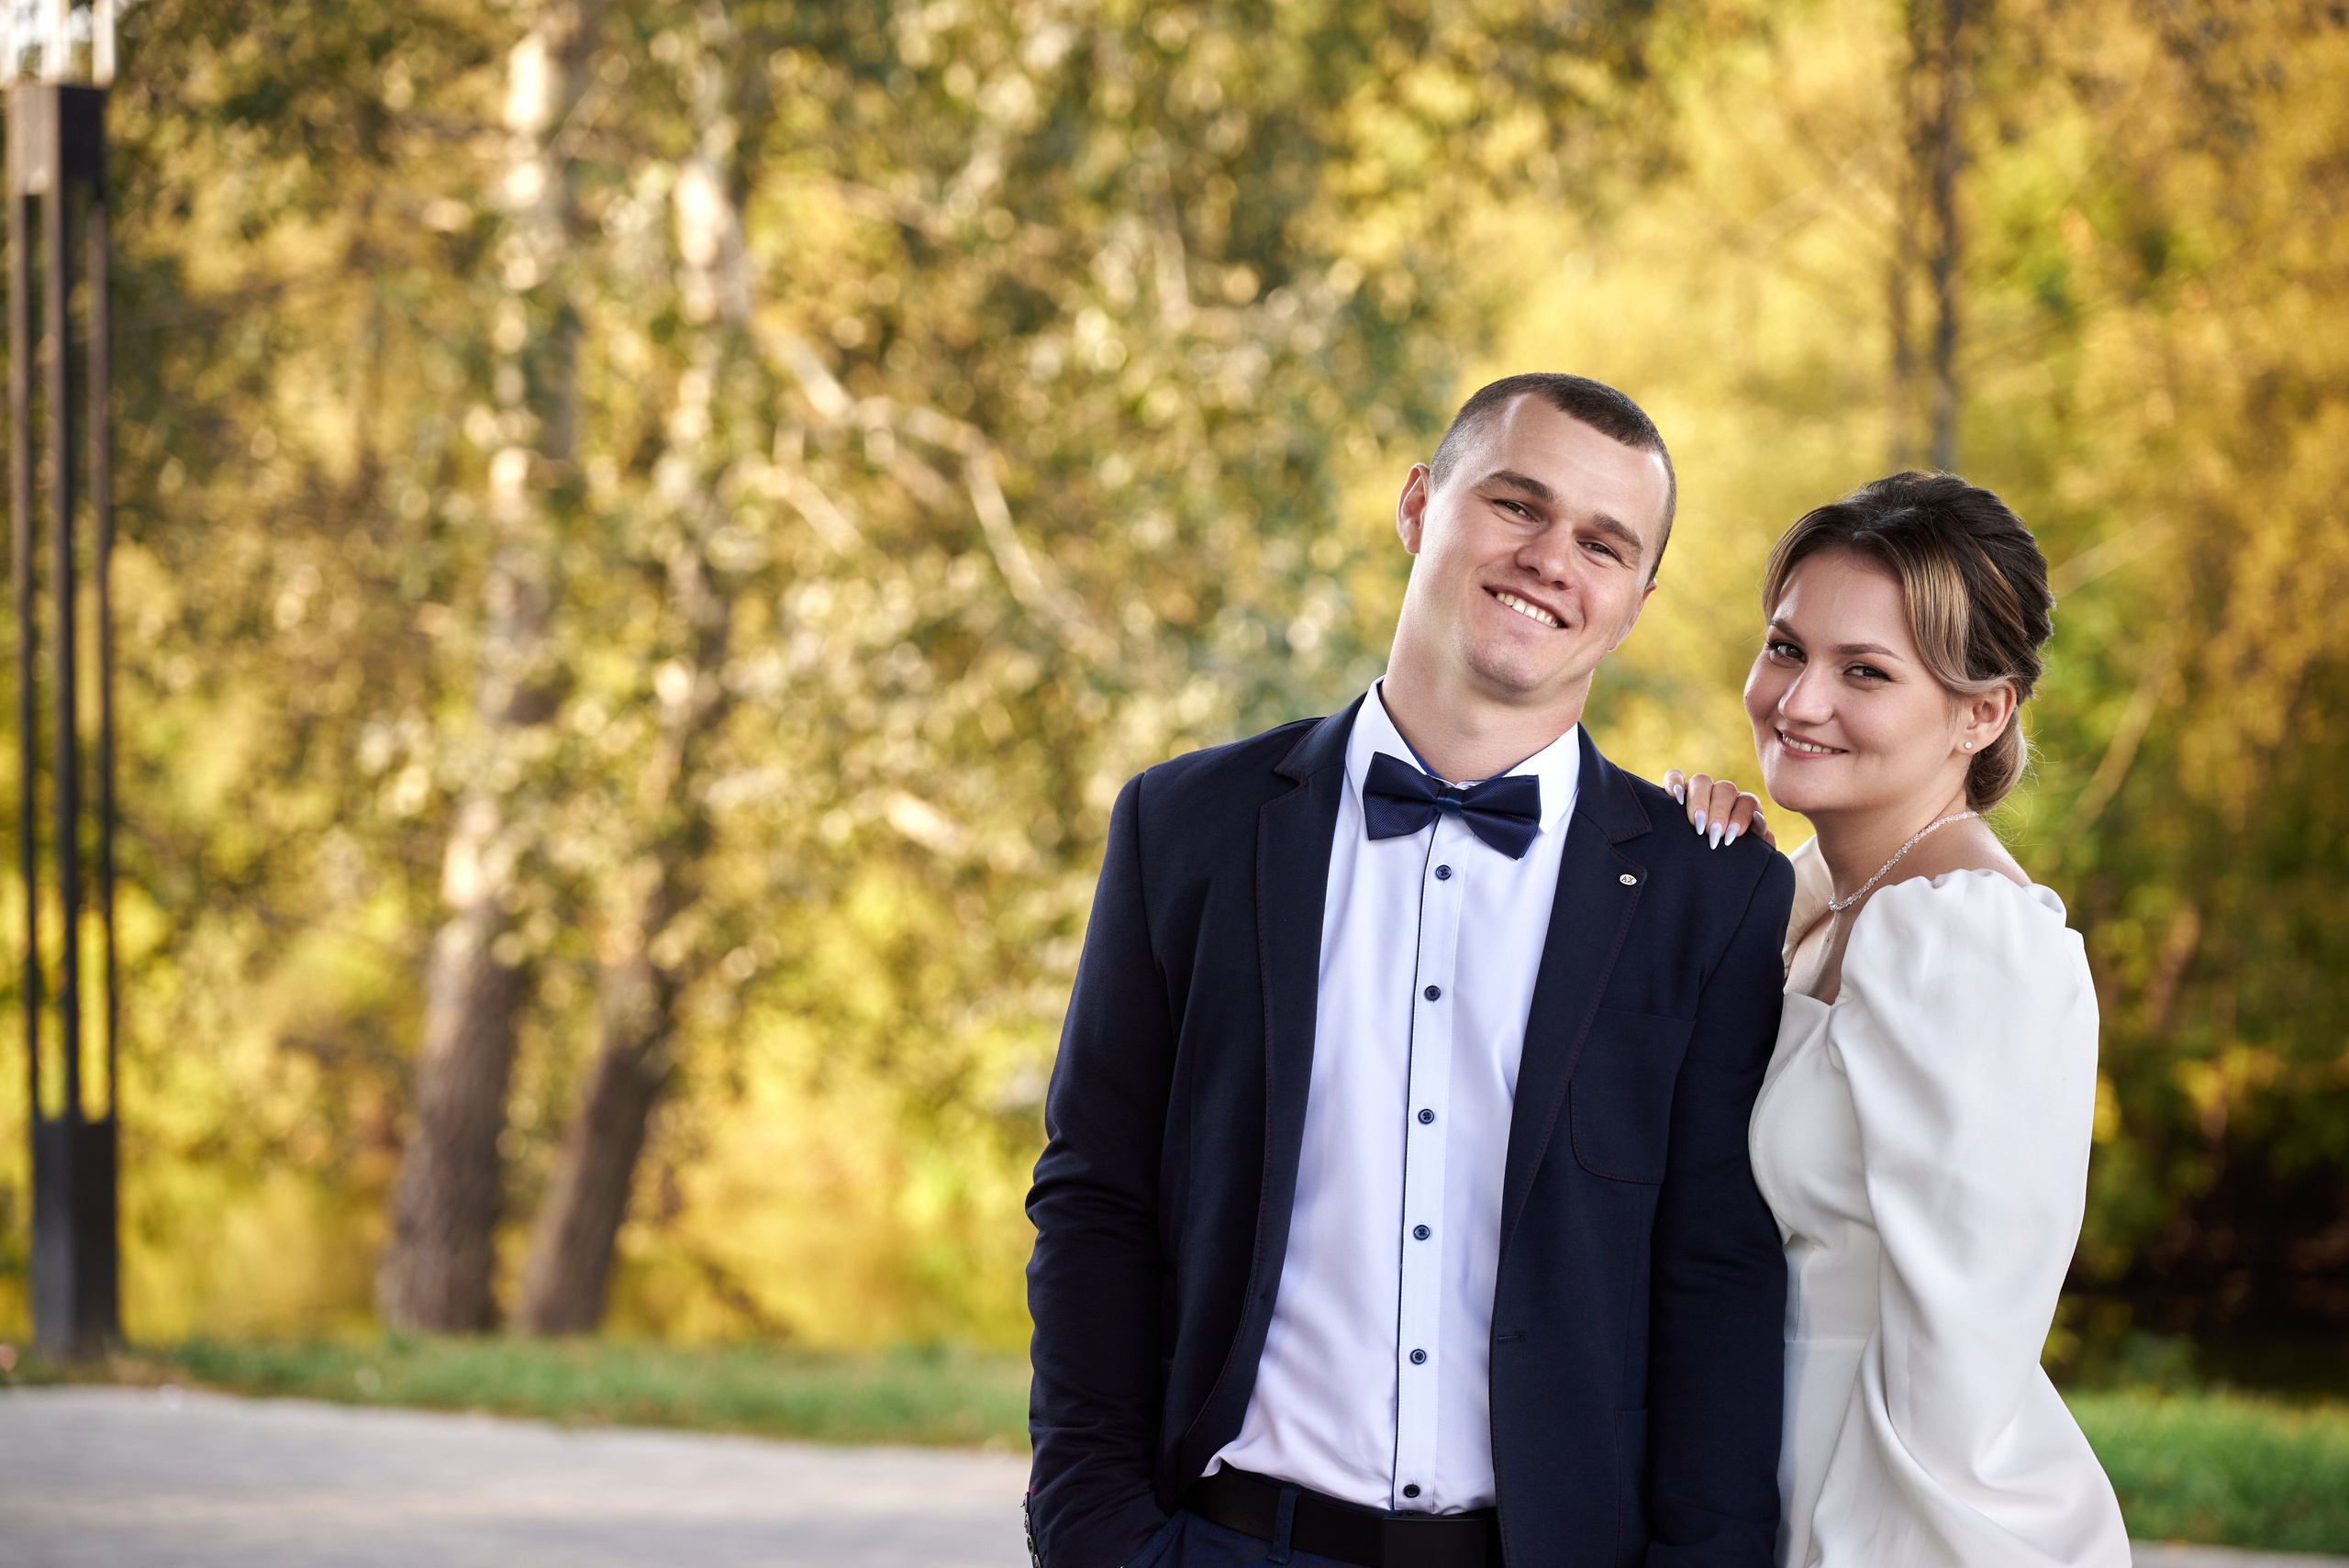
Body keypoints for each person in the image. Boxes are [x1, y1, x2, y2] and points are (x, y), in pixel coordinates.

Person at [1025, 373, 1794, 1568]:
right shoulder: (1188, 828)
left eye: (1603, 543)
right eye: (1516, 505)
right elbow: (1096, 1197)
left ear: (1636, 602)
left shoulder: (1712, 893)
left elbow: (1716, 1280)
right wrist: (1093, 1536)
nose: (1550, 558)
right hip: (1219, 1541)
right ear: (1420, 504)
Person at [1664, 473, 2131, 1568]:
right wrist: (1687, 881)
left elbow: (1953, 1358)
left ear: (1982, 710)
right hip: (1760, 1484)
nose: (1798, 699)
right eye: (1785, 648)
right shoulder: (1792, 895)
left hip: (1906, 1520)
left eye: (1863, 671)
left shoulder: (1968, 943)